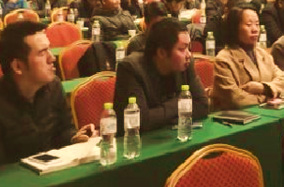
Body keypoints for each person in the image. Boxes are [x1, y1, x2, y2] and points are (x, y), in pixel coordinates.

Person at [0, 22, 96, 164]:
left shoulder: (53, 85)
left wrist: (74, 138)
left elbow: (64, 130)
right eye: (42, 53)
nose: (52, 58)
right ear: (18, 66)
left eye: (49, 50)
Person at [113, 18, 208, 134]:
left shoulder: (186, 64)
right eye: (182, 49)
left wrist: (161, 116)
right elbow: (140, 121)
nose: (189, 55)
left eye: (189, 48)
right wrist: (180, 103)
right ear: (162, 53)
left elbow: (202, 106)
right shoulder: (131, 68)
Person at [210, 6, 284, 110]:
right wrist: (268, 98)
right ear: (235, 28)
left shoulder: (262, 53)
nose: (255, 29)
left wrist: (264, 88)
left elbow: (283, 80)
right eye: (249, 25)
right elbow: (235, 99)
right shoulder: (224, 59)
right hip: (235, 117)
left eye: (257, 24)